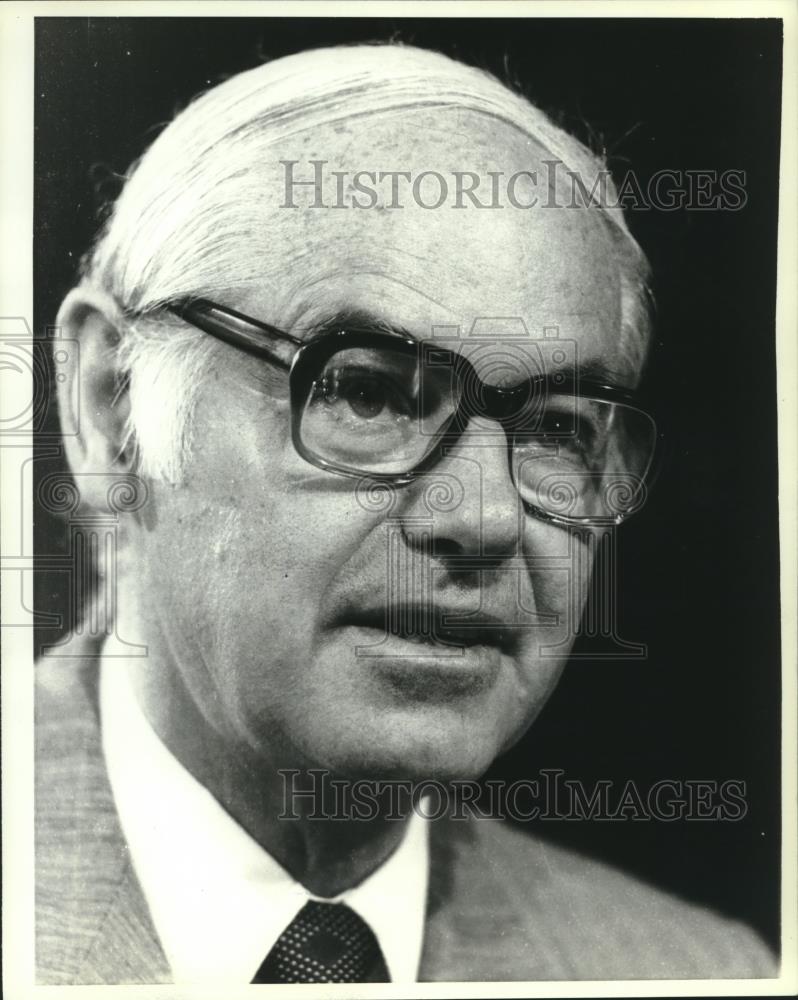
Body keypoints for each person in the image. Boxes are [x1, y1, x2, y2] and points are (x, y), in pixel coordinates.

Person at [36, 42, 777, 984]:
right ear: (110, 407)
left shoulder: (705, 974)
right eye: (370, 393)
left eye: (555, 432)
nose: (486, 521)